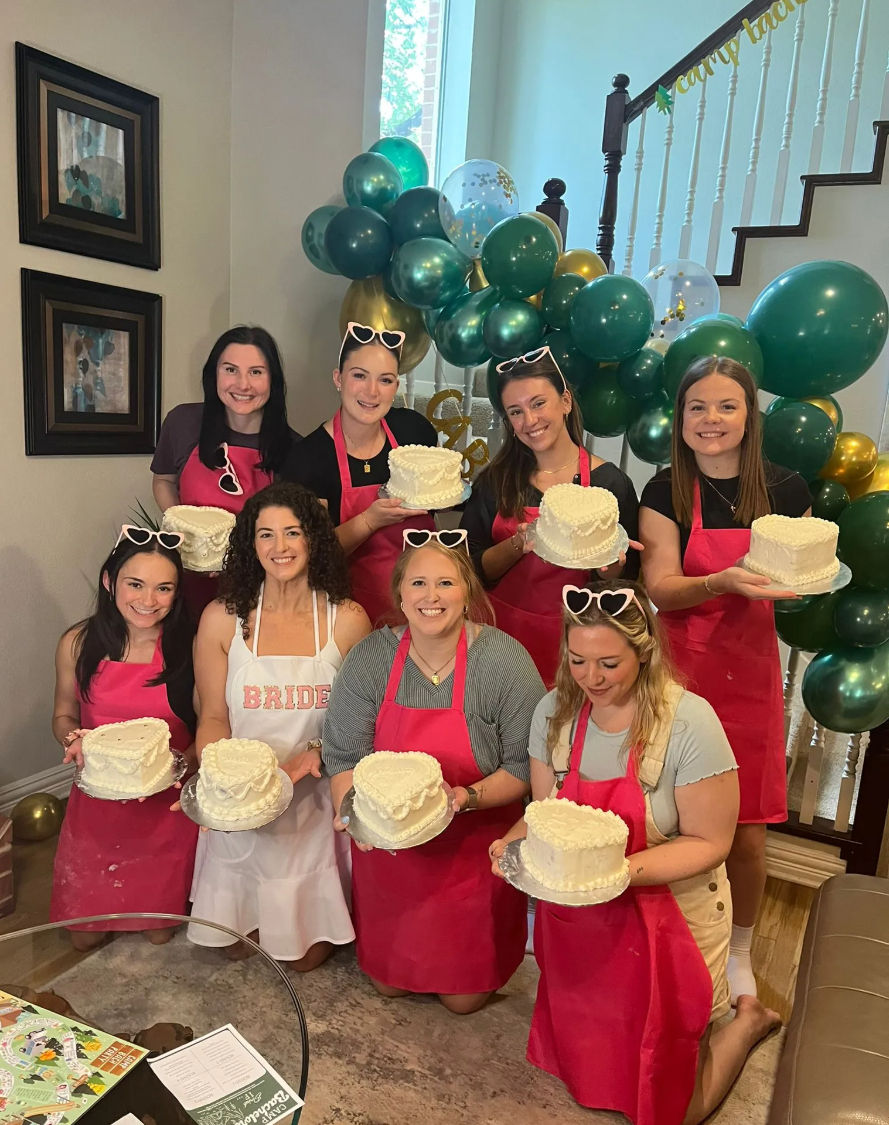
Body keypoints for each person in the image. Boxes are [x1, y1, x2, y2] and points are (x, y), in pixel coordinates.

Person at [490, 579, 780, 1125]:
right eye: (578, 661)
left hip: (671, 917)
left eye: (608, 664)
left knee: (675, 1111)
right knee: (593, 1059)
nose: (591, 680)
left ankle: (746, 1022)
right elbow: (545, 812)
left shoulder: (691, 722)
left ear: (643, 653)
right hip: (579, 918)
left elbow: (711, 843)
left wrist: (611, 870)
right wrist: (513, 841)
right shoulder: (554, 711)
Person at [638, 355, 811, 1003]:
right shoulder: (663, 490)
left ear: (748, 414)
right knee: (665, 819)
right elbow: (659, 587)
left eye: (726, 406)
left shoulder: (786, 490)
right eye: (696, 408)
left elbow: (798, 579)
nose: (710, 420)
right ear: (679, 419)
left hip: (750, 679)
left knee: (746, 831)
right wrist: (720, 579)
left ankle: (738, 948)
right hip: (678, 679)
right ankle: (672, 937)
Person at [324, 533, 546, 1013]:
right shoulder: (371, 658)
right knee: (390, 985)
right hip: (390, 855)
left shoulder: (505, 661)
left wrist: (463, 797)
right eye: (418, 583)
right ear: (399, 593)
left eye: (446, 583)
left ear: (467, 590)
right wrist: (352, 813)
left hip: (471, 853)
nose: (431, 596)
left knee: (463, 1000)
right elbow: (343, 756)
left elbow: (522, 768)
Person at [188, 481, 370, 969]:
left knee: (300, 959)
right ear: (251, 544)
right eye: (266, 535)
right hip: (243, 804)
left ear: (314, 540)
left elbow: (362, 724)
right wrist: (222, 778)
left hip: (312, 802)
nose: (280, 547)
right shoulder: (221, 620)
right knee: (229, 948)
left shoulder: (348, 620)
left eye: (293, 532)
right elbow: (212, 716)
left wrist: (317, 752)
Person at [51, 528, 198, 949]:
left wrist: (181, 764)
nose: (148, 600)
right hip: (97, 806)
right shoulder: (77, 643)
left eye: (163, 588)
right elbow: (62, 714)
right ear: (109, 581)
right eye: (135, 584)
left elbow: (210, 725)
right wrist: (71, 738)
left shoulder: (187, 647)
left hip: (162, 810)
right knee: (82, 940)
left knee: (158, 934)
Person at [461, 345, 639, 687]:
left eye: (538, 403)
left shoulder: (610, 483)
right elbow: (470, 569)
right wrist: (520, 543)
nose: (530, 421)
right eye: (516, 411)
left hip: (576, 653)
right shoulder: (497, 481)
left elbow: (624, 587)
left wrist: (612, 570)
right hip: (497, 645)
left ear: (566, 402)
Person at [280, 322, 438, 624]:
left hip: (422, 608)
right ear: (338, 379)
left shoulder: (414, 432)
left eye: (386, 380)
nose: (372, 391)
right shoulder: (308, 458)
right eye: (359, 376)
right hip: (347, 614)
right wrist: (369, 521)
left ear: (397, 386)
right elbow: (309, 555)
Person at [151, 325, 301, 619]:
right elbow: (163, 480)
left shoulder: (296, 449)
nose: (242, 384)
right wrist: (190, 534)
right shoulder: (182, 422)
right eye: (230, 370)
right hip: (185, 579)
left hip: (256, 590)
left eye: (256, 372)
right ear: (214, 374)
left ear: (273, 380)